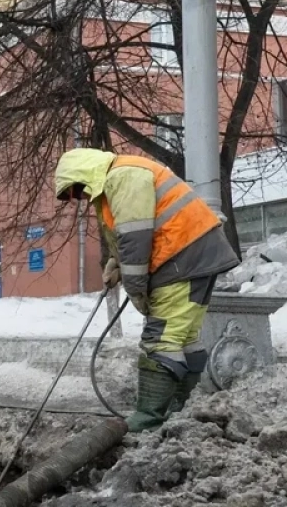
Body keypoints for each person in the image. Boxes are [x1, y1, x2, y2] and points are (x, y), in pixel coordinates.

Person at [54, 148, 240, 432]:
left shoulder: (122, 177)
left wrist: (135, 286)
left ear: (84, 175)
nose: (78, 198)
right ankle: (179, 409)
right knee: (184, 337)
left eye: (75, 191)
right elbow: (137, 230)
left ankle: (149, 417)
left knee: (160, 338)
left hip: (181, 257)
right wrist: (115, 263)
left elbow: (136, 236)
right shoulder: (125, 174)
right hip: (196, 254)